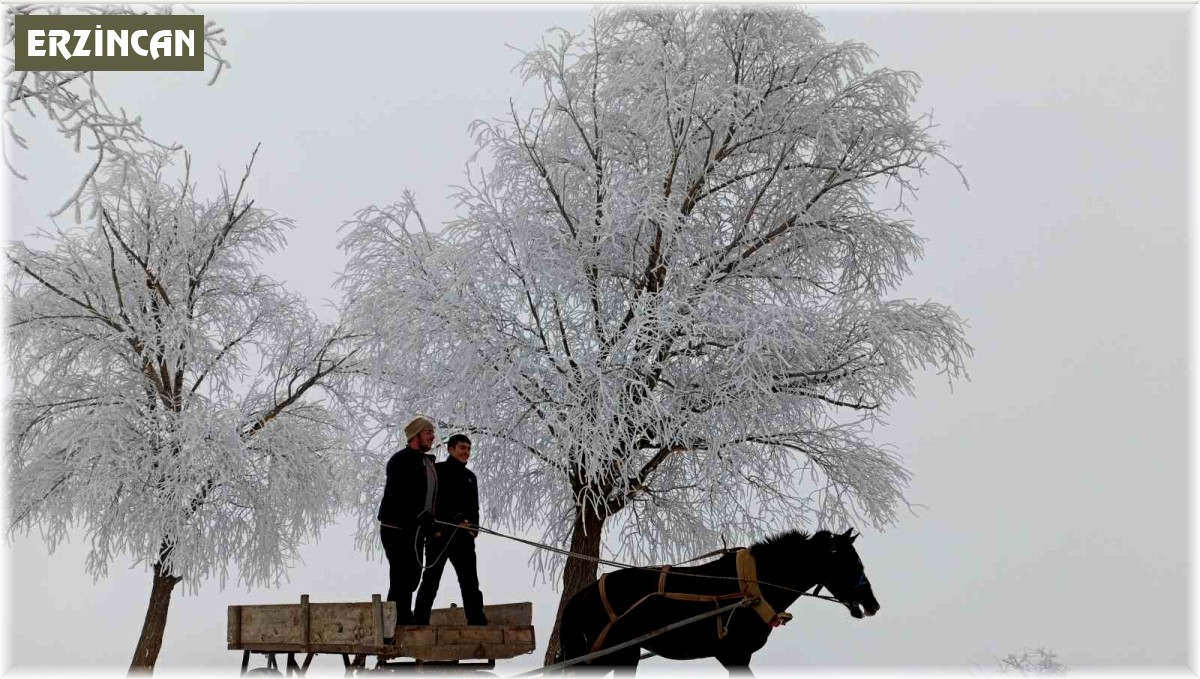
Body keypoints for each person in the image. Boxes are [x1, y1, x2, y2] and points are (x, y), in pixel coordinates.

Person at [412, 433, 488, 626]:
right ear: (451, 449)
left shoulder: (471, 477)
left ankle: (477, 621)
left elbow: (474, 508)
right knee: (431, 580)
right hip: (440, 536)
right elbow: (434, 503)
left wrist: (474, 529)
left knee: (470, 582)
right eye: (463, 447)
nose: (466, 452)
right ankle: (419, 622)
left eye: (469, 448)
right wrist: (437, 529)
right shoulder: (438, 471)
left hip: (464, 539)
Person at [378, 416, 438, 627]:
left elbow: (430, 495)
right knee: (401, 575)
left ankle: (401, 616)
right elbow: (397, 494)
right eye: (428, 432)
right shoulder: (400, 460)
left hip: (416, 529)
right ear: (416, 434)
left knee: (413, 575)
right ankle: (397, 621)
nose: (432, 436)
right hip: (395, 527)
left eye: (432, 432)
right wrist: (417, 513)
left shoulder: (426, 462)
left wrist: (430, 520)